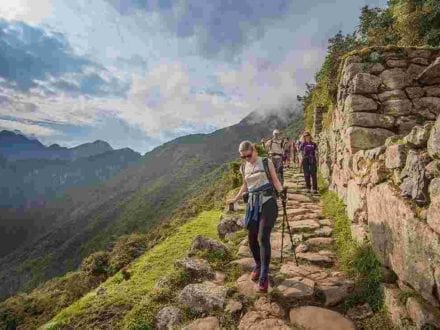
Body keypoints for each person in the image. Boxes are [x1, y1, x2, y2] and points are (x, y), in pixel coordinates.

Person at [227, 141, 284, 293]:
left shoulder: (266, 162)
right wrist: (235, 199)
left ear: (254, 150)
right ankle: (258, 265)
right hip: (252, 205)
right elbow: (245, 187)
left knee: (262, 237)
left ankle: (264, 275)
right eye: (243, 156)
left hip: (268, 202)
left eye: (248, 155)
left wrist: (282, 192)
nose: (247, 158)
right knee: (251, 238)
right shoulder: (244, 167)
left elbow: (276, 180)